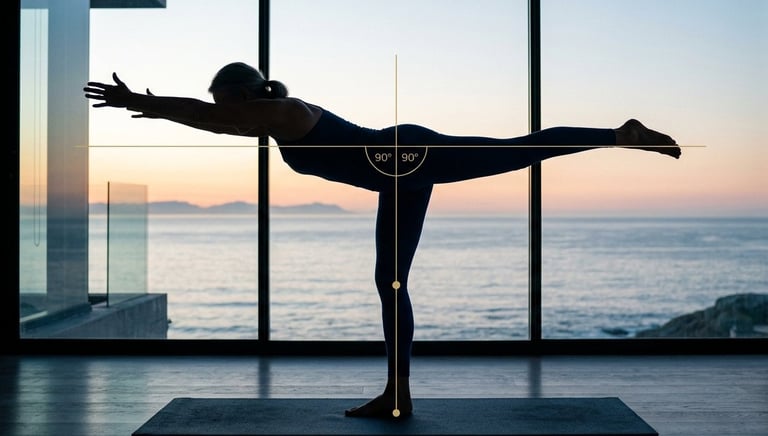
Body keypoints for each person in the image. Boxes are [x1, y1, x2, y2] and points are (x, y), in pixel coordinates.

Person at [83, 62, 680, 419]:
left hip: (406, 155)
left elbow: (214, 120)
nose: (226, 118)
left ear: (243, 97)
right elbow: (218, 120)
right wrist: (153, 105)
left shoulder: (286, 111)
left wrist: (147, 103)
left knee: (515, 151)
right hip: (400, 168)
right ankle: (399, 393)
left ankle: (618, 133)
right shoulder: (267, 116)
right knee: (391, 277)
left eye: (226, 105)